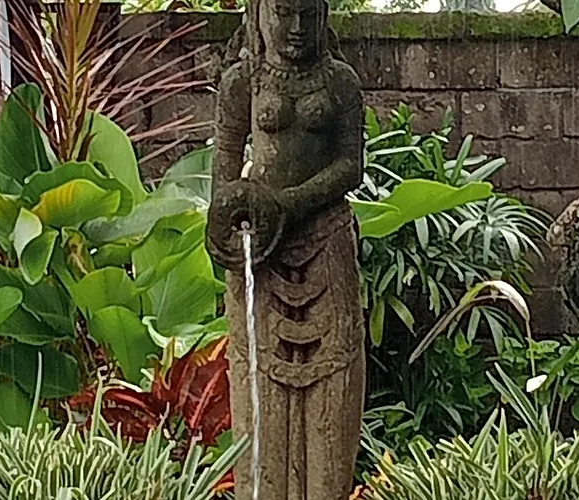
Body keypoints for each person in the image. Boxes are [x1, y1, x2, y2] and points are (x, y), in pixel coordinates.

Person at [205, 0, 366, 497]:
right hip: (262, 260)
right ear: (260, 14)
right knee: (260, 394)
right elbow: (224, 171)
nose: (297, 28)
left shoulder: (339, 82)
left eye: (308, 14)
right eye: (285, 13)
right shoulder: (243, 83)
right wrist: (226, 227)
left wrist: (288, 205)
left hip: (326, 245)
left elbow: (350, 166)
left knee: (333, 390)